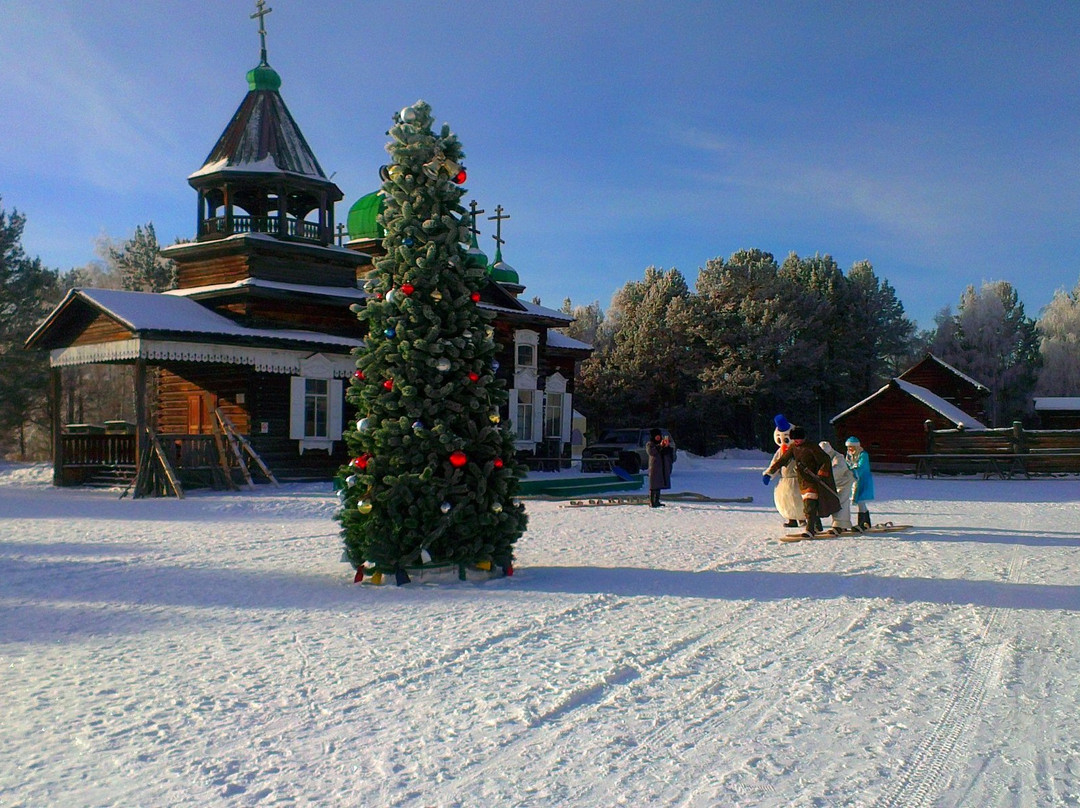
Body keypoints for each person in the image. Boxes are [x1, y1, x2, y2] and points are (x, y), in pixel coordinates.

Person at [763, 426, 840, 536]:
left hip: (813, 480)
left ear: (803, 438)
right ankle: (817, 525)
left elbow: (825, 460)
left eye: (798, 439)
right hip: (802, 480)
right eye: (794, 439)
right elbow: (783, 460)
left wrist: (821, 474)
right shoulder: (793, 447)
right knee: (809, 503)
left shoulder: (812, 447)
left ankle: (810, 529)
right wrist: (770, 472)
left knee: (810, 503)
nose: (796, 441)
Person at [764, 414, 803, 528]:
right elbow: (775, 463)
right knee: (787, 500)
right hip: (785, 480)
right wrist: (769, 474)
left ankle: (803, 518)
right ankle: (791, 519)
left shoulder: (799, 449)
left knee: (800, 499)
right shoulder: (780, 451)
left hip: (798, 478)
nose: (783, 441)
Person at [820, 441, 855, 533]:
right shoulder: (822, 457)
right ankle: (838, 524)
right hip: (834, 484)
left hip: (844, 482)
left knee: (841, 502)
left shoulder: (838, 457)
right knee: (835, 502)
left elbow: (838, 469)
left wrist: (824, 473)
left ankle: (840, 525)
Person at [846, 436, 875, 531]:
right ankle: (866, 522)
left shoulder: (863, 454)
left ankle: (862, 524)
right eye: (848, 447)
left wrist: (853, 471)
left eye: (851, 446)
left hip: (863, 479)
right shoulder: (849, 455)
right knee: (860, 501)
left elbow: (862, 467)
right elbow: (847, 464)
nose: (850, 449)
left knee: (861, 500)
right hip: (855, 481)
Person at [646, 428, 675, 508]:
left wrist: (666, 447)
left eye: (659, 436)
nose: (658, 437)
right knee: (653, 485)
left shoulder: (662, 443)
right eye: (656, 436)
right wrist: (660, 446)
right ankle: (652, 501)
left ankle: (657, 501)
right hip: (655, 467)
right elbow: (651, 452)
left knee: (659, 484)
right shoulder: (650, 444)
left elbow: (667, 453)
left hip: (662, 467)